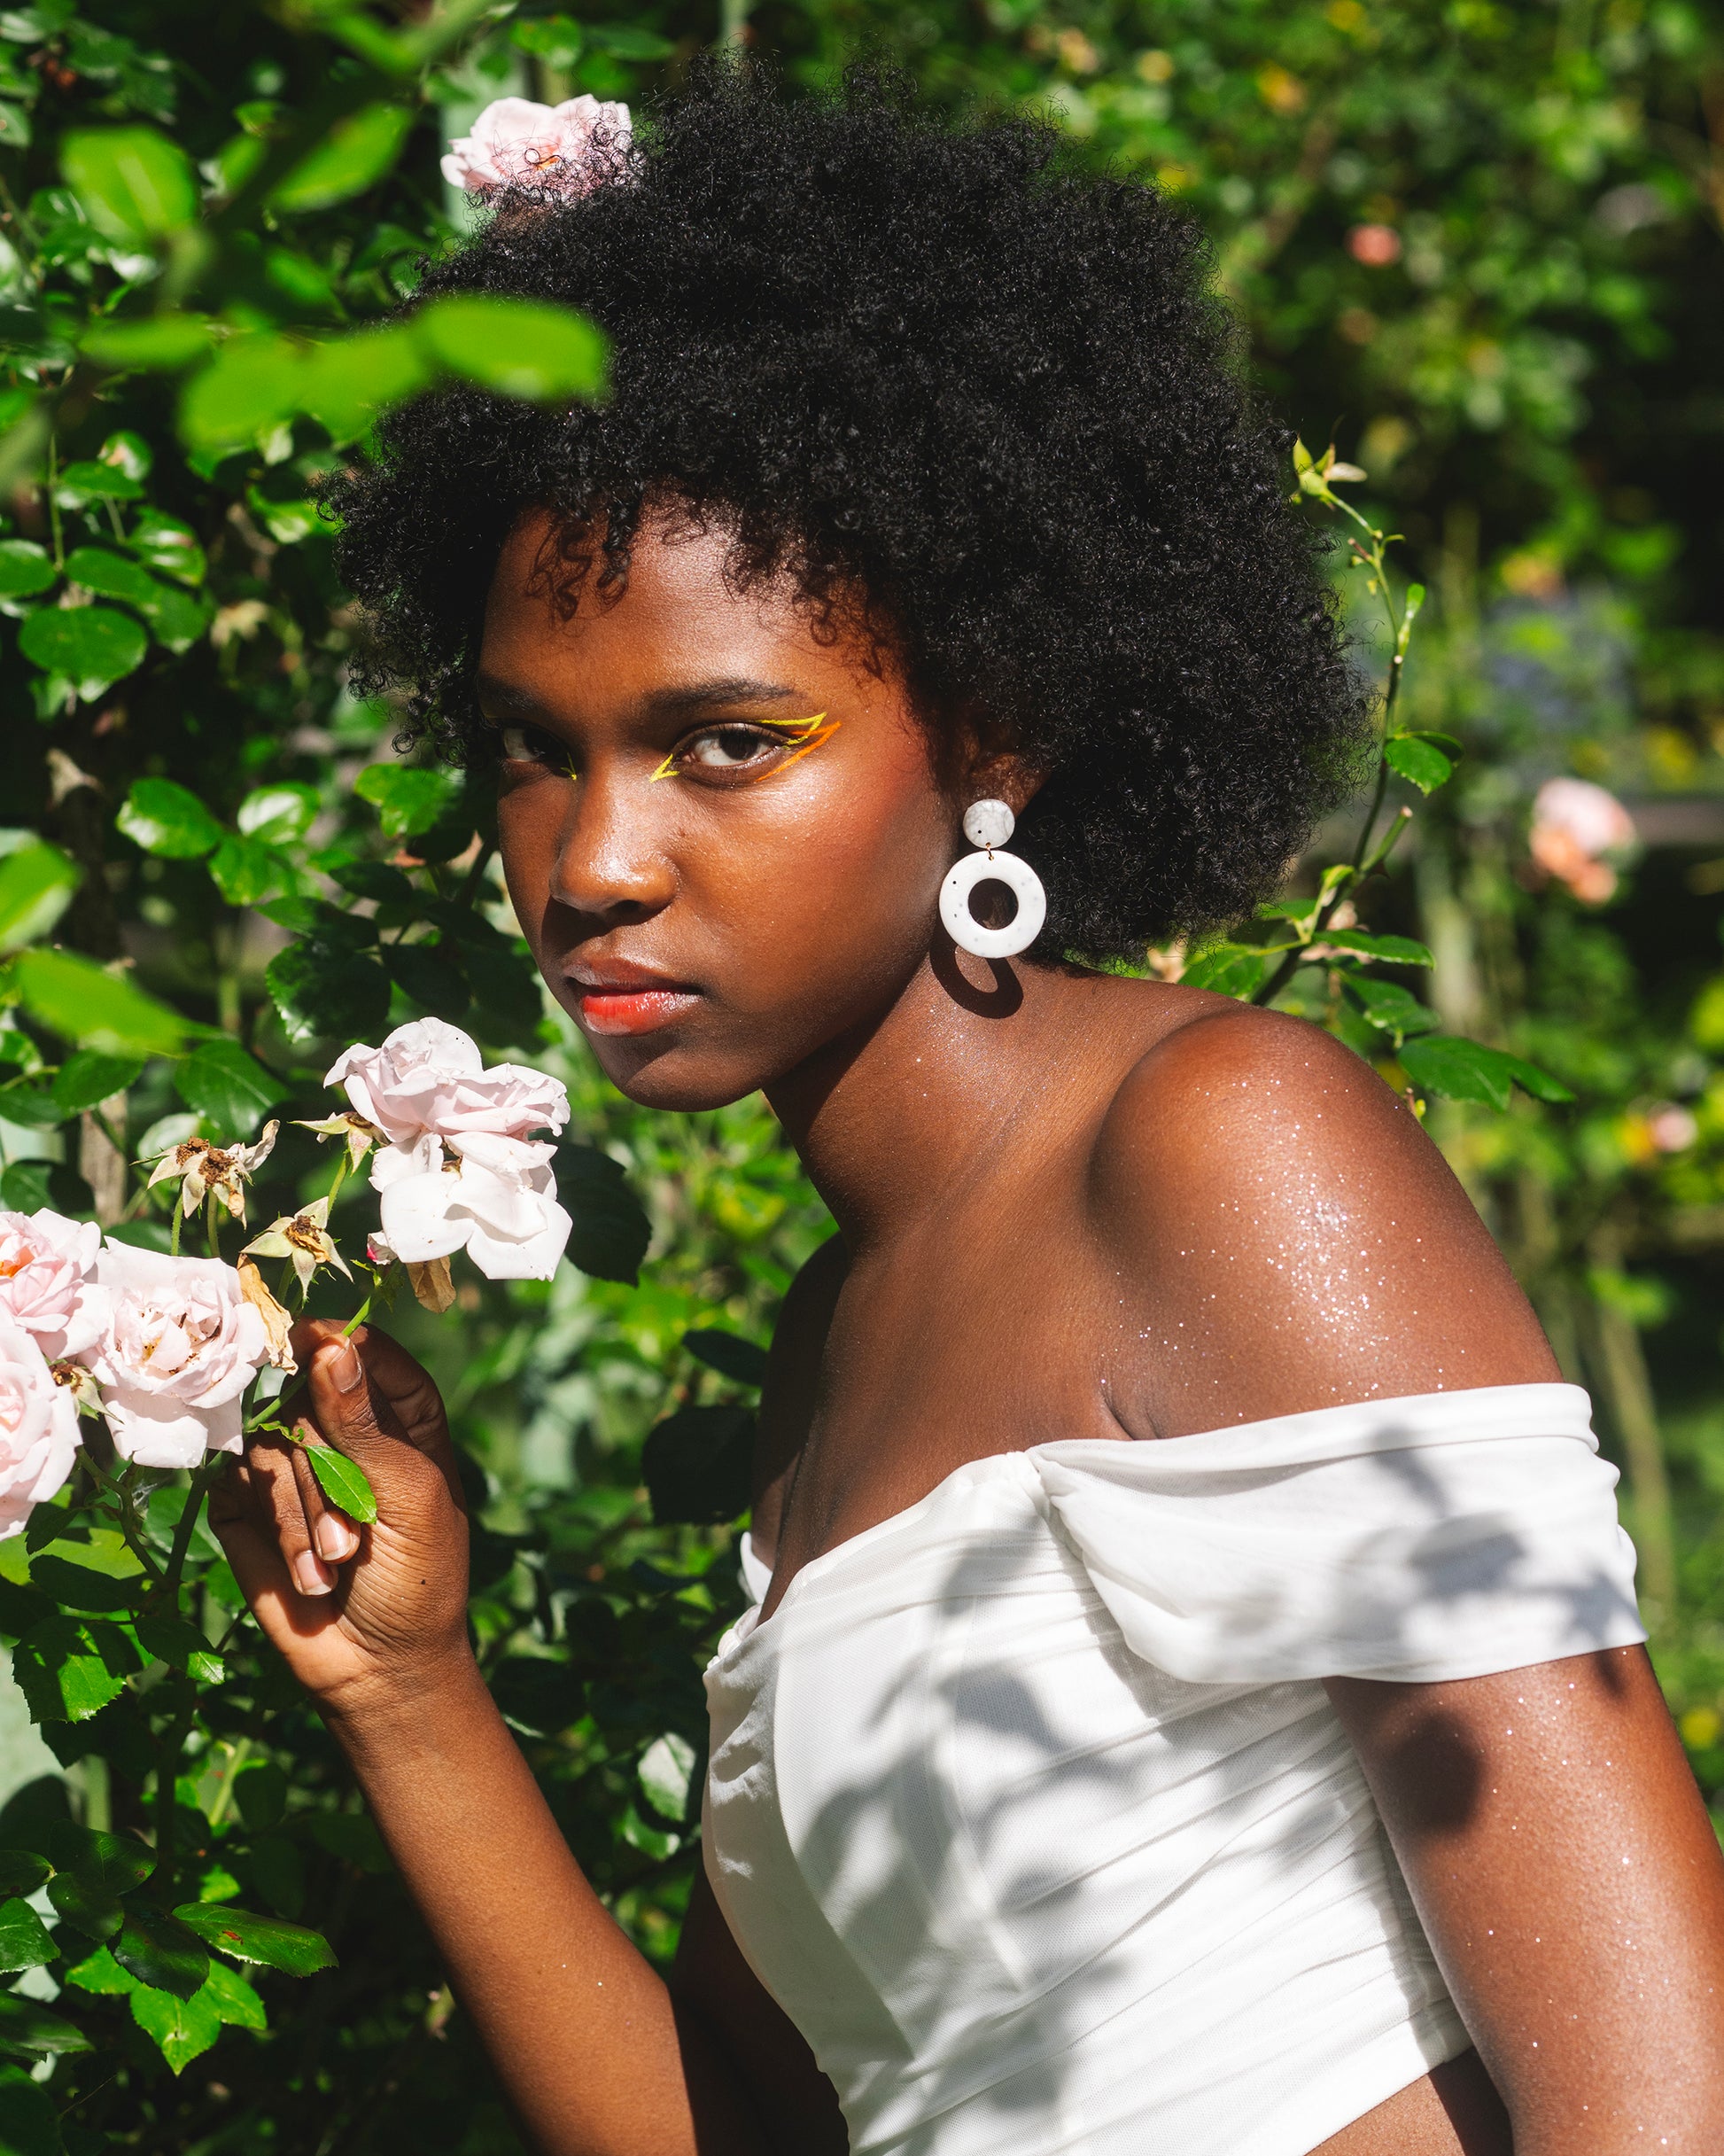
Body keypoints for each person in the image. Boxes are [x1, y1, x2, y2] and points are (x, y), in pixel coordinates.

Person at [211, 66, 1724, 2156]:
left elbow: (1664, 2111)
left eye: (726, 741)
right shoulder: (832, 1349)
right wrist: (410, 1690)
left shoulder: (1217, 1141)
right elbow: (761, 2124)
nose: (592, 860)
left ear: (991, 727)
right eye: (531, 751)